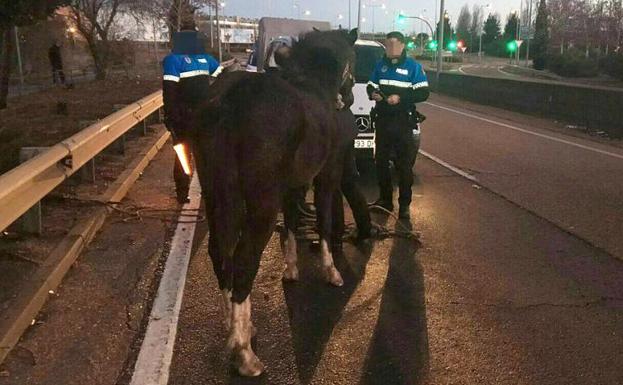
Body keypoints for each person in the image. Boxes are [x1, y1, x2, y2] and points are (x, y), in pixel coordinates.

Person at [367, 31, 430, 220]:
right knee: (381, 162)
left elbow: (423, 93)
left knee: (403, 166)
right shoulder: (380, 66)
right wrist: (373, 93)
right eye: (387, 45)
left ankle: (404, 206)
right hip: (383, 121)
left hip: (403, 122)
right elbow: (370, 84)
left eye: (393, 45)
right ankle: (385, 200)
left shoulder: (413, 67)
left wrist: (401, 98)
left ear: (402, 46)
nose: (390, 49)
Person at [162, 30, 223, 203]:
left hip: (192, 117)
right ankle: (189, 192)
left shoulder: (174, 60)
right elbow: (170, 90)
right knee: (197, 154)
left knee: (188, 154)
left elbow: (169, 92)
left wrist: (170, 116)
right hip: (194, 117)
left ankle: (187, 193)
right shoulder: (202, 59)